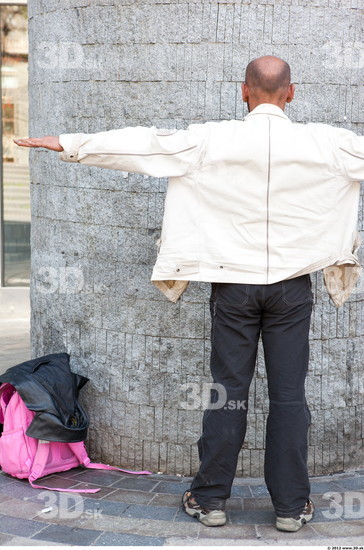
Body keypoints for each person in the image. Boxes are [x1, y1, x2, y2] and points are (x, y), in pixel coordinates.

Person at [15, 55, 364, 533]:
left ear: (244, 92)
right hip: (291, 290)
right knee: (288, 397)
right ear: (292, 93)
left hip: (233, 287)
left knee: (227, 394)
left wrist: (70, 143)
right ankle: (291, 507)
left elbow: (146, 146)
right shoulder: (329, 143)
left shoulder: (211, 138)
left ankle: (211, 500)